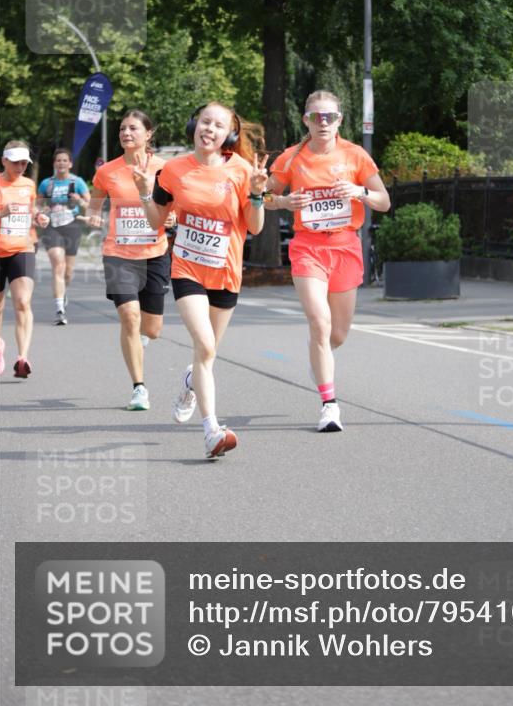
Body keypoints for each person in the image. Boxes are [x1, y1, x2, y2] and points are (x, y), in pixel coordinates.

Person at [132, 102, 268, 460]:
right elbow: (155, 222)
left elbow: (255, 227)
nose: (210, 129)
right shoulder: (174, 170)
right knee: (205, 347)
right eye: (205, 121)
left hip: (226, 272)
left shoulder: (241, 170)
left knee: (207, 355)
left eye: (218, 125)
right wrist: (146, 192)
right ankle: (212, 431)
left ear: (229, 136)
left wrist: (256, 194)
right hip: (187, 270)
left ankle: (192, 382)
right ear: (194, 125)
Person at [266, 90, 390, 432]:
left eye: (330, 117)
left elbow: (384, 201)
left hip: (345, 246)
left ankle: (320, 359)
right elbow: (262, 196)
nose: (323, 123)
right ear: (305, 120)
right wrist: (284, 201)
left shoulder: (355, 155)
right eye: (316, 117)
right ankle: (329, 406)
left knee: (337, 334)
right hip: (307, 247)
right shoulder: (291, 158)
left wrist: (360, 193)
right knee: (319, 323)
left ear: (340, 120)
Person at [86, 111, 173, 411]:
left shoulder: (164, 168)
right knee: (129, 317)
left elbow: (174, 206)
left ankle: (141, 340)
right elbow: (95, 204)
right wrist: (93, 213)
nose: (126, 132)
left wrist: (172, 216)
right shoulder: (107, 171)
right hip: (118, 254)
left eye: (133, 128)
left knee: (152, 329)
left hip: (155, 253)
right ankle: (139, 388)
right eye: (122, 128)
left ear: (148, 134)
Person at [0, 141, 50, 378]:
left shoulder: (28, 184)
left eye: (24, 163)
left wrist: (39, 217)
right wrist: (0, 213)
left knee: (23, 302)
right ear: (4, 161)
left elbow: (31, 210)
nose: (20, 167)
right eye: (15, 162)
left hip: (23, 247)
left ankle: (22, 358)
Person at [37, 148, 90, 325]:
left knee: (67, 272)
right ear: (54, 164)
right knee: (57, 264)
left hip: (72, 225)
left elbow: (90, 206)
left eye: (64, 160)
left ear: (70, 163)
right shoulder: (46, 183)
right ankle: (60, 309)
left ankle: (63, 291)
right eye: (58, 160)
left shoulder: (78, 182)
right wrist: (41, 211)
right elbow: (37, 205)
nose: (61, 163)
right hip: (52, 226)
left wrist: (79, 201)